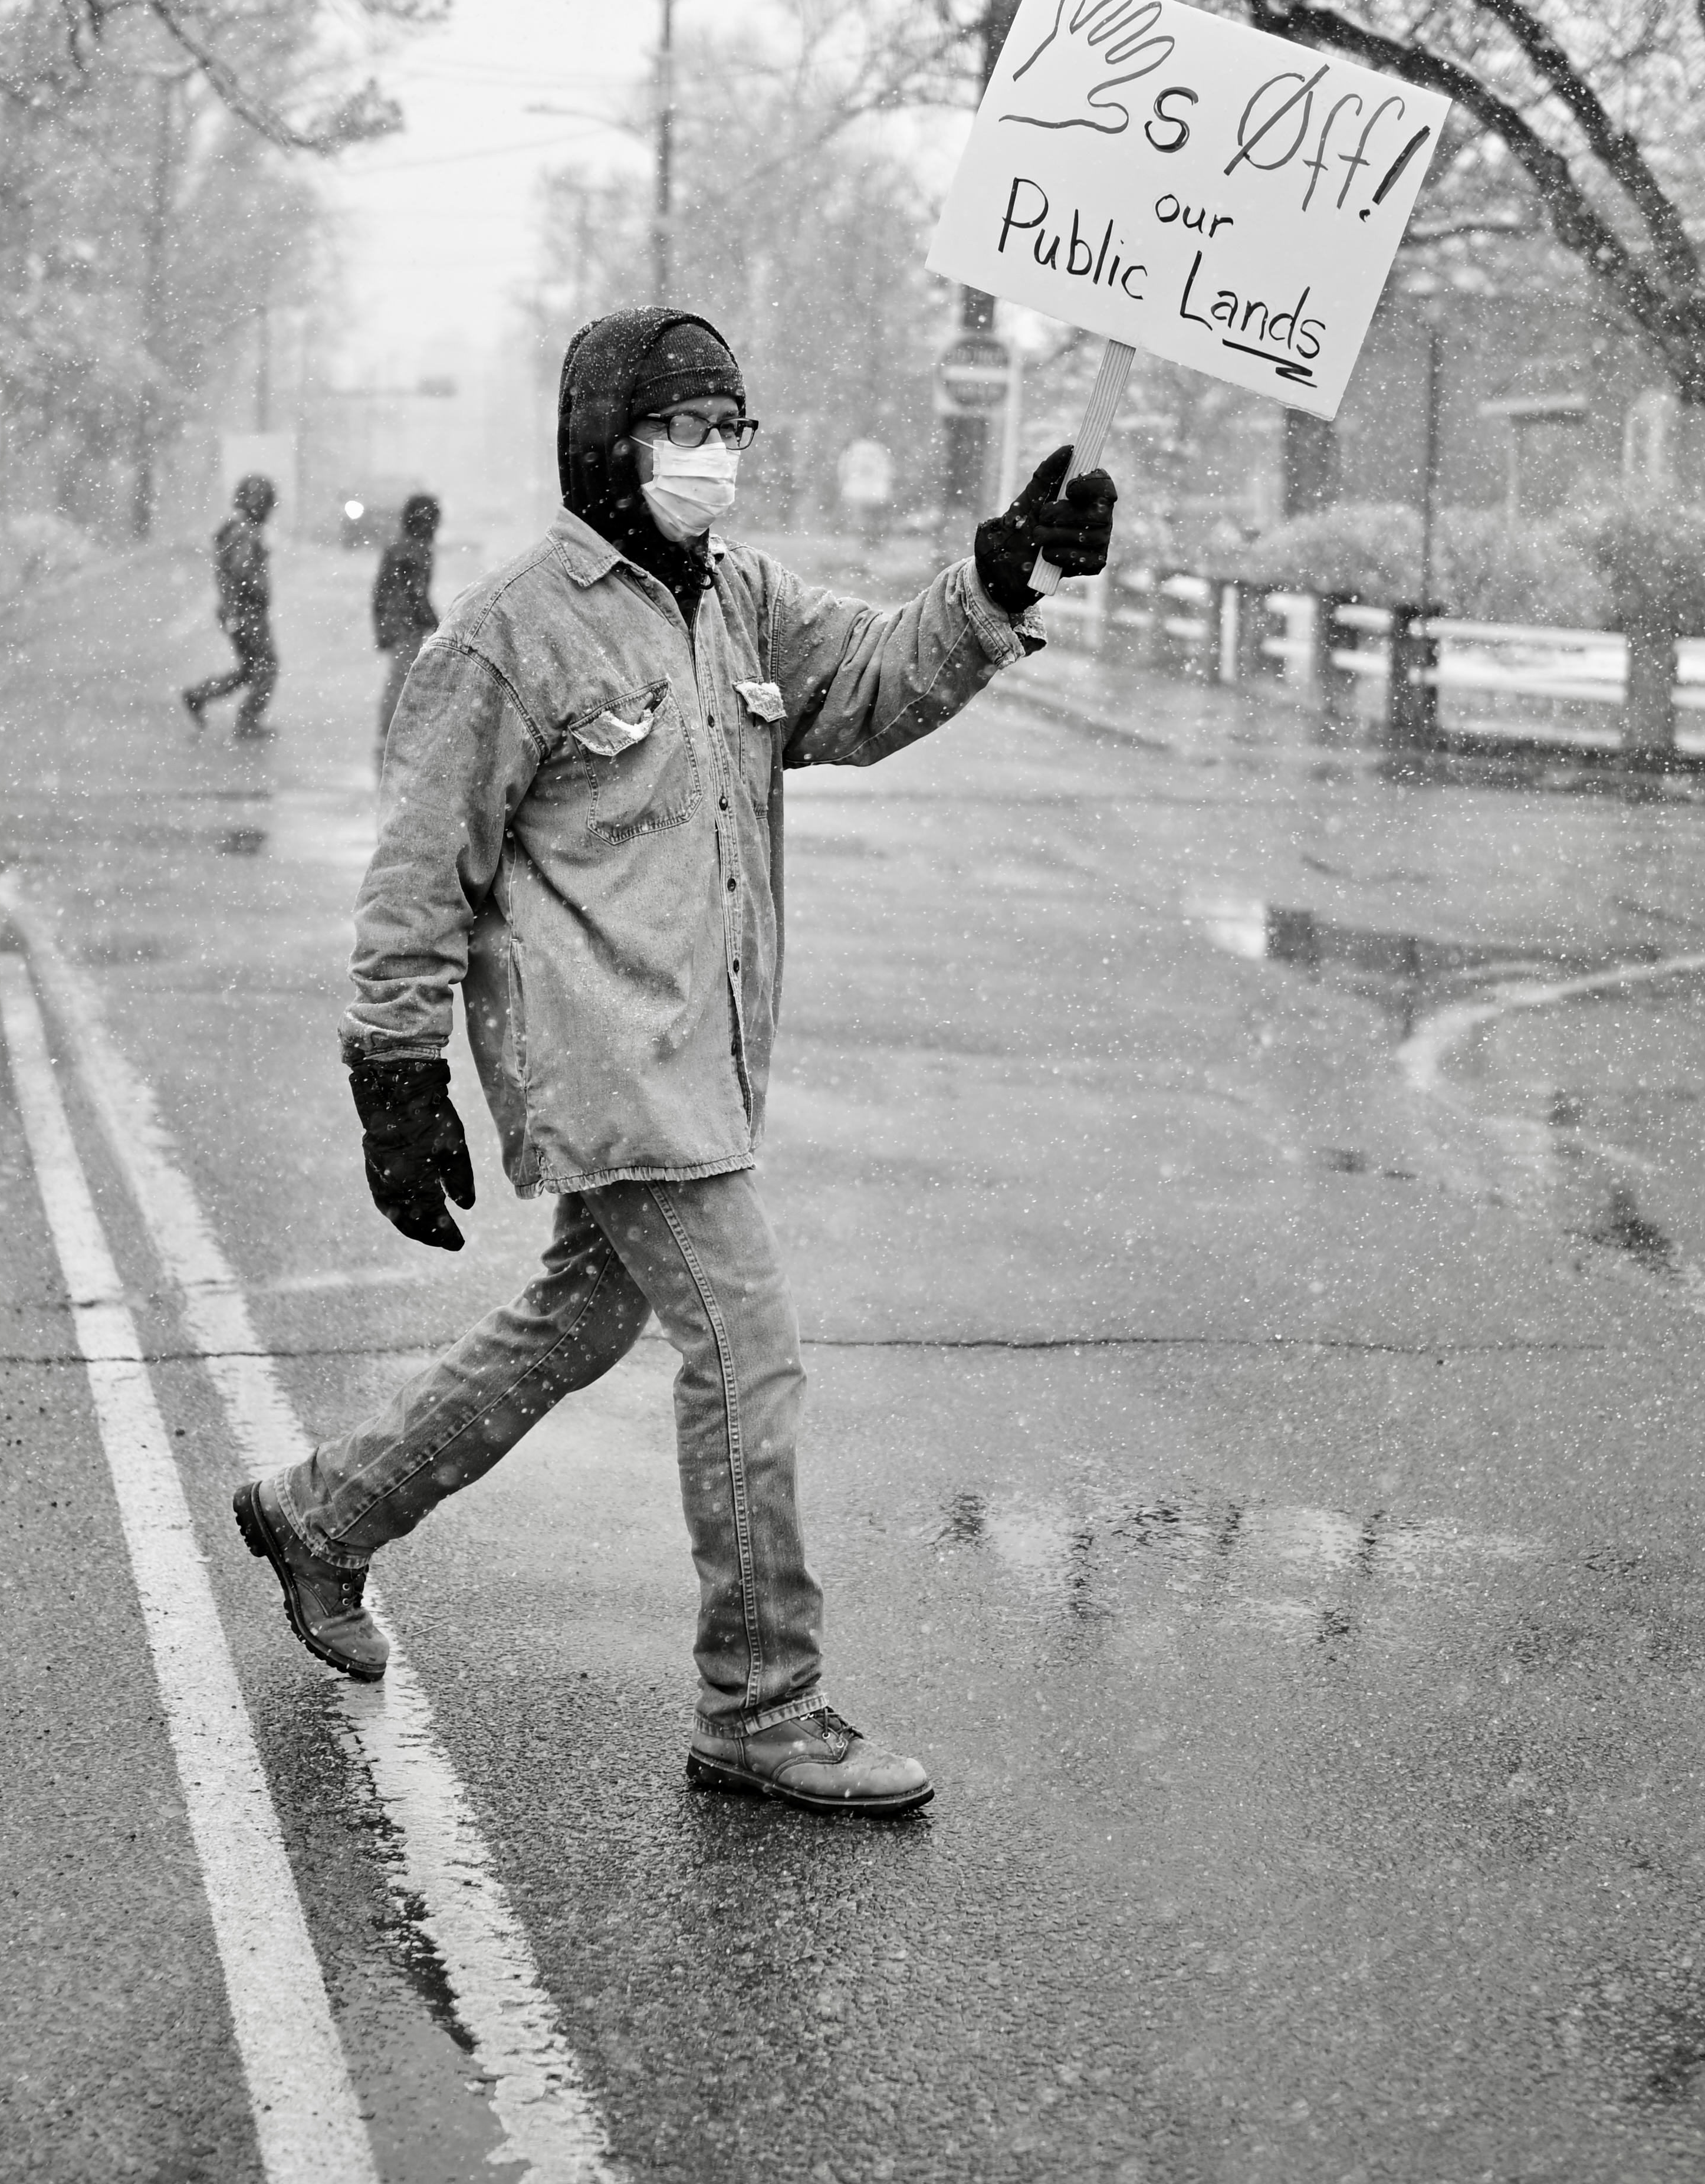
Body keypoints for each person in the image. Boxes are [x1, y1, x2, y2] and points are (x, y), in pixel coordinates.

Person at [231, 308, 1113, 1818]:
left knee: (576, 1322)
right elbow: (421, 868)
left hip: (703, 1061)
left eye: (730, 431)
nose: (715, 458)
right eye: (683, 430)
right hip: (609, 1065)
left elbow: (872, 684)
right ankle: (762, 1703)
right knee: (749, 1353)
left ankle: (326, 1516)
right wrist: (396, 1070)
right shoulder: (510, 635)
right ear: (608, 443)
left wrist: (1002, 575)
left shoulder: (738, 602)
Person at [180, 475, 279, 735]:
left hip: (239, 612)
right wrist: (254, 595)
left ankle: (200, 695)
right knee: (267, 667)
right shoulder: (245, 533)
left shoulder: (239, 530)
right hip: (247, 613)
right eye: (266, 504)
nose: (269, 511)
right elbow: (240, 573)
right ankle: (247, 721)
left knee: (251, 669)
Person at [369, 491, 442, 769]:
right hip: (407, 625)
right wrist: (437, 625)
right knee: (402, 681)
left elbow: (380, 591)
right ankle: (390, 734)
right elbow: (417, 595)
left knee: (398, 679)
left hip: (394, 622)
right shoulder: (417, 551)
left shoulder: (397, 547)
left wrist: (381, 624)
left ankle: (389, 732)